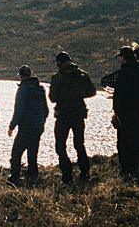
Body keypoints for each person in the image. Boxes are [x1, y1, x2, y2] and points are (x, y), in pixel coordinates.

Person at [49, 51, 96, 184]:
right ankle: (84, 171)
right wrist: (79, 95)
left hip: (63, 114)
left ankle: (67, 173)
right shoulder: (82, 74)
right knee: (79, 143)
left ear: (59, 63)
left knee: (60, 145)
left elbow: (52, 98)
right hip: (79, 113)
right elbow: (92, 91)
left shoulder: (57, 77)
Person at [101, 46, 139, 177]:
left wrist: (116, 112)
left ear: (124, 57)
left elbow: (119, 95)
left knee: (124, 141)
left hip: (124, 113)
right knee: (137, 137)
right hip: (137, 111)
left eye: (120, 57)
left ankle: (126, 168)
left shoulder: (123, 74)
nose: (119, 59)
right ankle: (137, 164)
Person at [7, 65, 49, 186]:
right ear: (30, 74)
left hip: (26, 127)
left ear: (20, 76)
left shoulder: (23, 90)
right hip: (38, 127)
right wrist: (40, 123)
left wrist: (11, 126)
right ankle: (33, 175)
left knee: (16, 152)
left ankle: (14, 177)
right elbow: (46, 111)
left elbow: (18, 111)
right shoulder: (41, 89)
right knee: (32, 151)